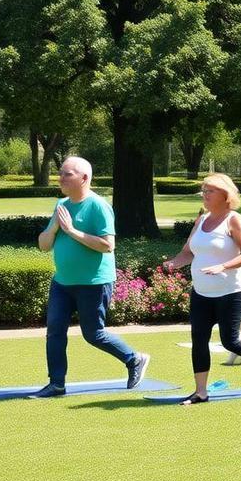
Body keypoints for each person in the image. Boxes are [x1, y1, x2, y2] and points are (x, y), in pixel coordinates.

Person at [32, 157, 150, 398]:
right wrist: (54, 227)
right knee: (54, 331)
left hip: (93, 283)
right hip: (62, 282)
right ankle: (56, 383)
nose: (61, 178)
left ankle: (134, 359)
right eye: (61, 173)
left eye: (67, 174)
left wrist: (72, 231)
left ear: (84, 178)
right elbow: (44, 246)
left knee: (93, 333)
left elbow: (108, 245)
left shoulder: (98, 206)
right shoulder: (61, 205)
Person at [164, 174, 241, 405]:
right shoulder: (201, 220)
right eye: (203, 190)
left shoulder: (233, 219)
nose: (204, 195)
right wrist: (174, 263)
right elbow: (188, 251)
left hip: (232, 291)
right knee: (199, 339)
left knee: (230, 342)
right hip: (201, 292)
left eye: (210, 191)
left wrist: (223, 266)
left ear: (225, 195)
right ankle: (200, 391)